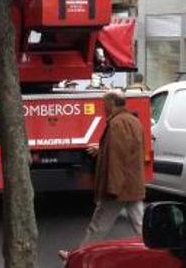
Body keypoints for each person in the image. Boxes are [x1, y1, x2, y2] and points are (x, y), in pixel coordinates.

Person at [59, 90, 145, 261]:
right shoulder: (133, 121)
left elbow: (117, 157)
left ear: (112, 103)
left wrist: (112, 188)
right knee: (141, 225)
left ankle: (77, 257)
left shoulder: (116, 124)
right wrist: (101, 150)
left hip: (119, 188)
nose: (102, 106)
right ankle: (159, 252)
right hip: (132, 185)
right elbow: (127, 150)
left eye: (104, 102)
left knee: (98, 226)